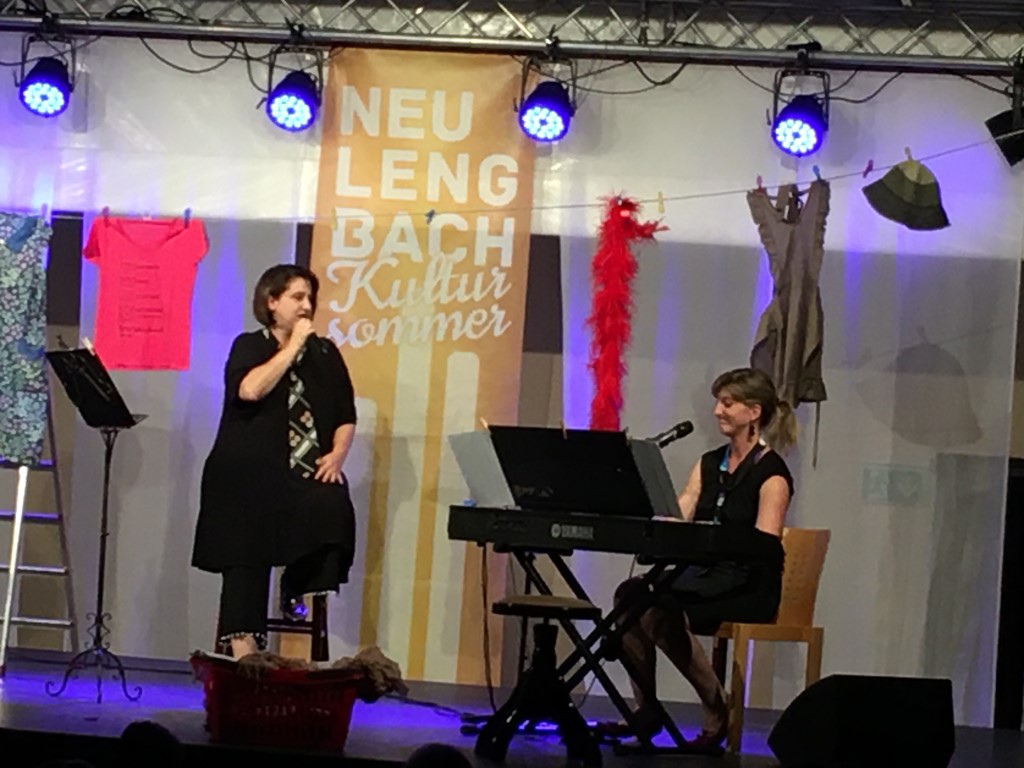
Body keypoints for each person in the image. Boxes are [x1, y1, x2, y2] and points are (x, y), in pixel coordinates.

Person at [603, 367, 795, 750]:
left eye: (727, 403)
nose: (717, 411)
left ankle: (716, 709)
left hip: (747, 583)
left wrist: (713, 541)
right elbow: (681, 515)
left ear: (754, 412)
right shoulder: (709, 464)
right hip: (702, 575)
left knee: (660, 610)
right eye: (718, 402)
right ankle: (646, 710)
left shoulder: (772, 474)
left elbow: (764, 546)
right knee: (630, 595)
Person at [192, 264, 358, 658]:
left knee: (333, 507)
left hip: (300, 475)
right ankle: (244, 651)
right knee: (246, 545)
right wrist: (291, 348)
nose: (307, 306)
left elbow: (345, 414)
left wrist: (337, 454)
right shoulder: (250, 346)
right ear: (272, 302)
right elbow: (250, 390)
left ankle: (296, 585)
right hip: (245, 476)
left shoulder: (325, 353)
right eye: (297, 297)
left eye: (310, 298)